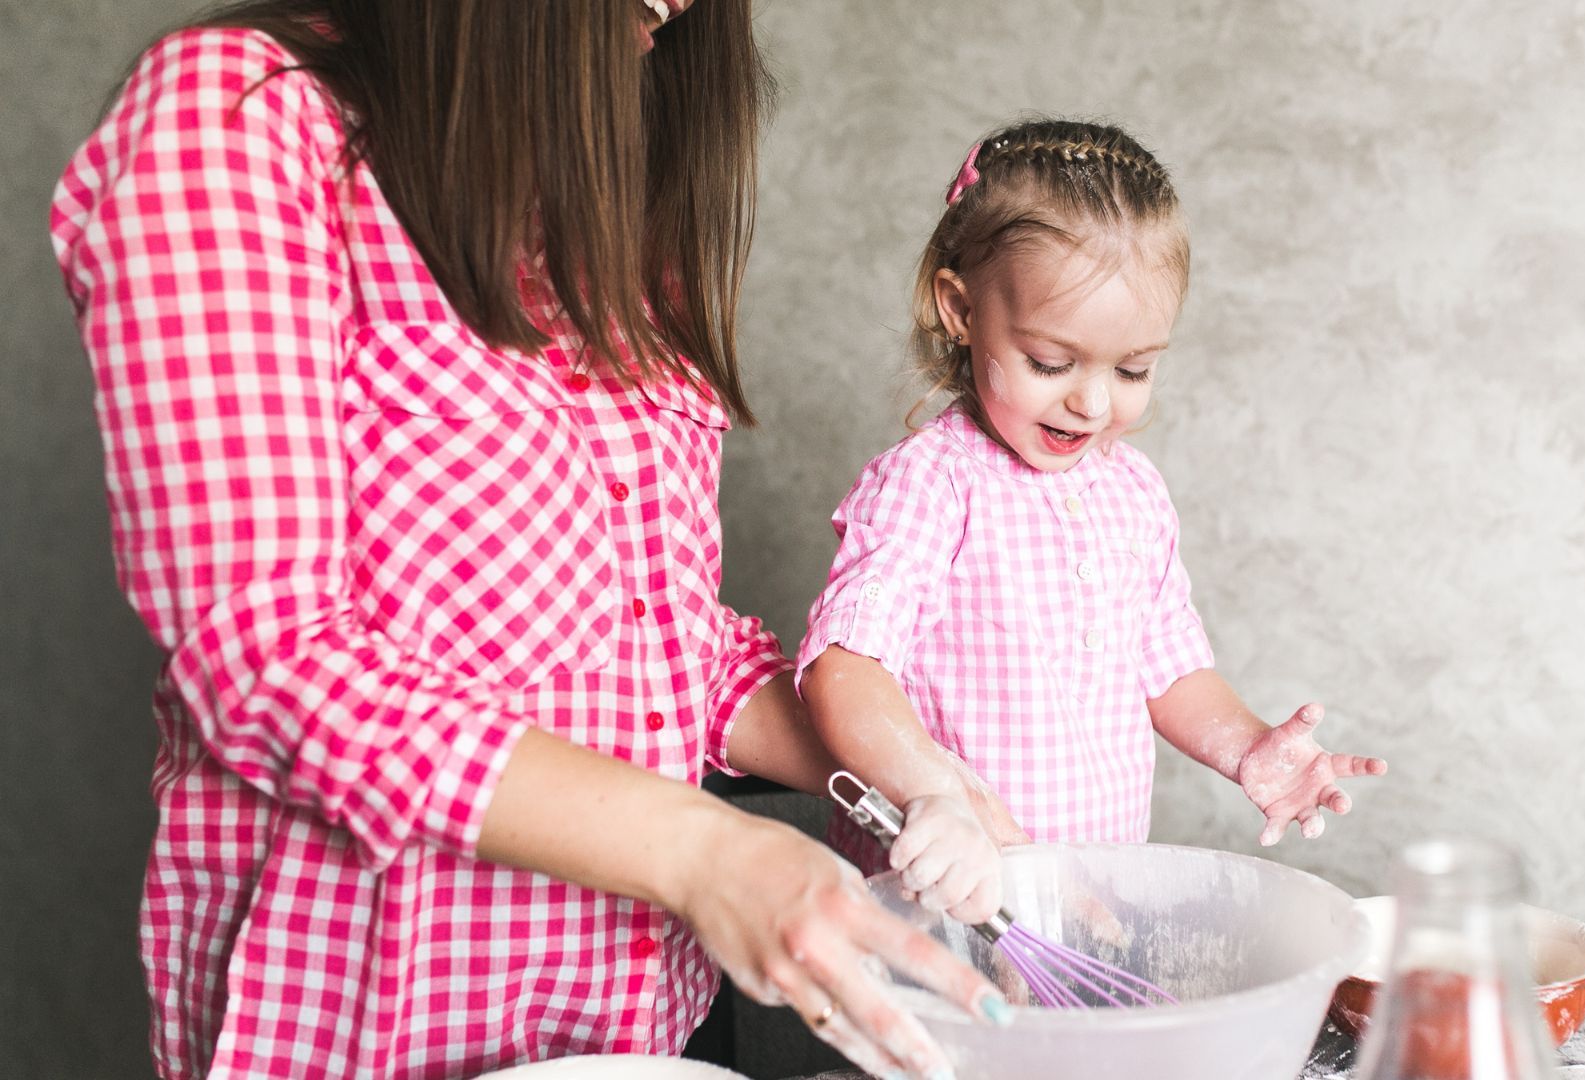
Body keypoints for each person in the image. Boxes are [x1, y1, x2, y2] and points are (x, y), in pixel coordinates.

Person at [48, 2, 1006, 1077]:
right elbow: (270, 658)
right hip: (369, 1034)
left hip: (641, 1026)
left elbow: (669, 647)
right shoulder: (239, 117)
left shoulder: (602, 198)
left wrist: (920, 776)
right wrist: (703, 851)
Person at [797, 119, 1390, 925]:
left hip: (1093, 898)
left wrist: (1247, 745)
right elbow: (844, 671)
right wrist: (940, 795)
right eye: (1052, 363)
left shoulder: (1133, 492)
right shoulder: (929, 486)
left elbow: (1169, 667)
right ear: (960, 309)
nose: (1094, 401)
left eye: (1135, 368)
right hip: (949, 907)